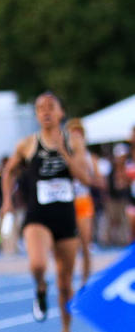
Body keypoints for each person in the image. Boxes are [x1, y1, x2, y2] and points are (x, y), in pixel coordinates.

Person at [1, 92, 90, 332]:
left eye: (51, 107)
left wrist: (64, 150)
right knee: (38, 264)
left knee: (65, 283)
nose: (46, 112)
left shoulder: (73, 141)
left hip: (65, 217)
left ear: (62, 112)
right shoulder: (28, 144)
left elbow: (84, 176)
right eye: (40, 108)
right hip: (37, 216)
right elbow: (8, 171)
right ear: (37, 115)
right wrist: (7, 201)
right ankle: (40, 287)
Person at [65, 118, 103, 286]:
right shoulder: (63, 155)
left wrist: (88, 179)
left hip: (82, 200)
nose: (76, 137)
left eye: (78, 134)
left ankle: (85, 280)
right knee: (68, 245)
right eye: (72, 134)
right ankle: (66, 278)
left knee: (86, 244)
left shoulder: (90, 157)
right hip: (66, 201)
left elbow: (100, 181)